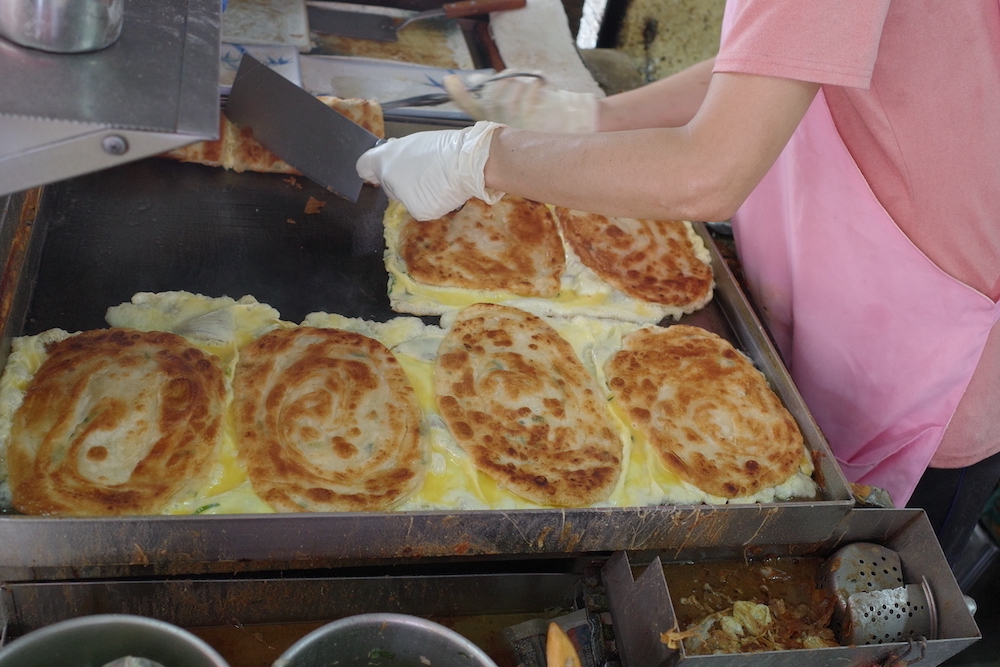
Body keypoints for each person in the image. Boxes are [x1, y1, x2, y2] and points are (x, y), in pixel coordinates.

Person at [357, 0, 1000, 565]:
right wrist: (594, 118)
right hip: (832, 289)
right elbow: (775, 65)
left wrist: (481, 158)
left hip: (925, 360)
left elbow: (707, 174)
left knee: (830, 583)